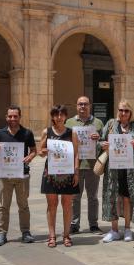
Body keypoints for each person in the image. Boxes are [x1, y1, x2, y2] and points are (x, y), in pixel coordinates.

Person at [99, 100, 134, 243]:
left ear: (130, 112)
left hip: (131, 170)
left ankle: (127, 229)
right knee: (112, 197)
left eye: (126, 110)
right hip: (113, 169)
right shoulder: (111, 124)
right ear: (117, 111)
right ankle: (114, 230)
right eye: (121, 110)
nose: (123, 113)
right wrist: (103, 145)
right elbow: (100, 141)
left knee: (127, 198)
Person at [0, 105, 37, 246]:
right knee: (4, 206)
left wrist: (30, 157)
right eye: (10, 116)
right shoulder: (0, 133)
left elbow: (34, 150)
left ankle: (26, 232)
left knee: (23, 206)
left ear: (19, 117)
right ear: (6, 117)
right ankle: (2, 233)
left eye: (15, 116)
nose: (12, 119)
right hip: (5, 175)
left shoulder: (27, 133)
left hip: (22, 175)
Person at [38, 105, 80, 248]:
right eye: (56, 114)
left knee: (67, 205)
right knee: (52, 205)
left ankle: (66, 235)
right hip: (51, 173)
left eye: (62, 114)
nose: (59, 117)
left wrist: (76, 171)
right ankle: (52, 236)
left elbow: (76, 153)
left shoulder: (72, 133)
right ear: (53, 116)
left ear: (66, 116)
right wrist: (43, 152)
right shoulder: (47, 132)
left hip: (68, 174)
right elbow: (40, 151)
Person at [66, 96, 104, 235]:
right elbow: (64, 143)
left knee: (92, 196)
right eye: (80, 104)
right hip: (75, 166)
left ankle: (93, 224)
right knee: (75, 197)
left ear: (90, 106)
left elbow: (105, 143)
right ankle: (74, 224)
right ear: (76, 106)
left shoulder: (98, 123)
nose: (83, 106)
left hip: (92, 165)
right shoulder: (69, 123)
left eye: (85, 104)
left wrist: (98, 139)